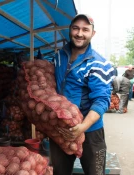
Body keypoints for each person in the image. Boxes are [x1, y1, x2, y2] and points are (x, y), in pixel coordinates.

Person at [51, 14, 114, 175]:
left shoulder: (99, 64)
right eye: (76, 28)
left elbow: (101, 101)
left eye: (85, 29)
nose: (80, 33)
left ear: (93, 34)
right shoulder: (59, 56)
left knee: (95, 172)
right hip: (62, 128)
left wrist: (83, 127)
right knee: (60, 171)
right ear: (69, 30)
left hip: (91, 130)